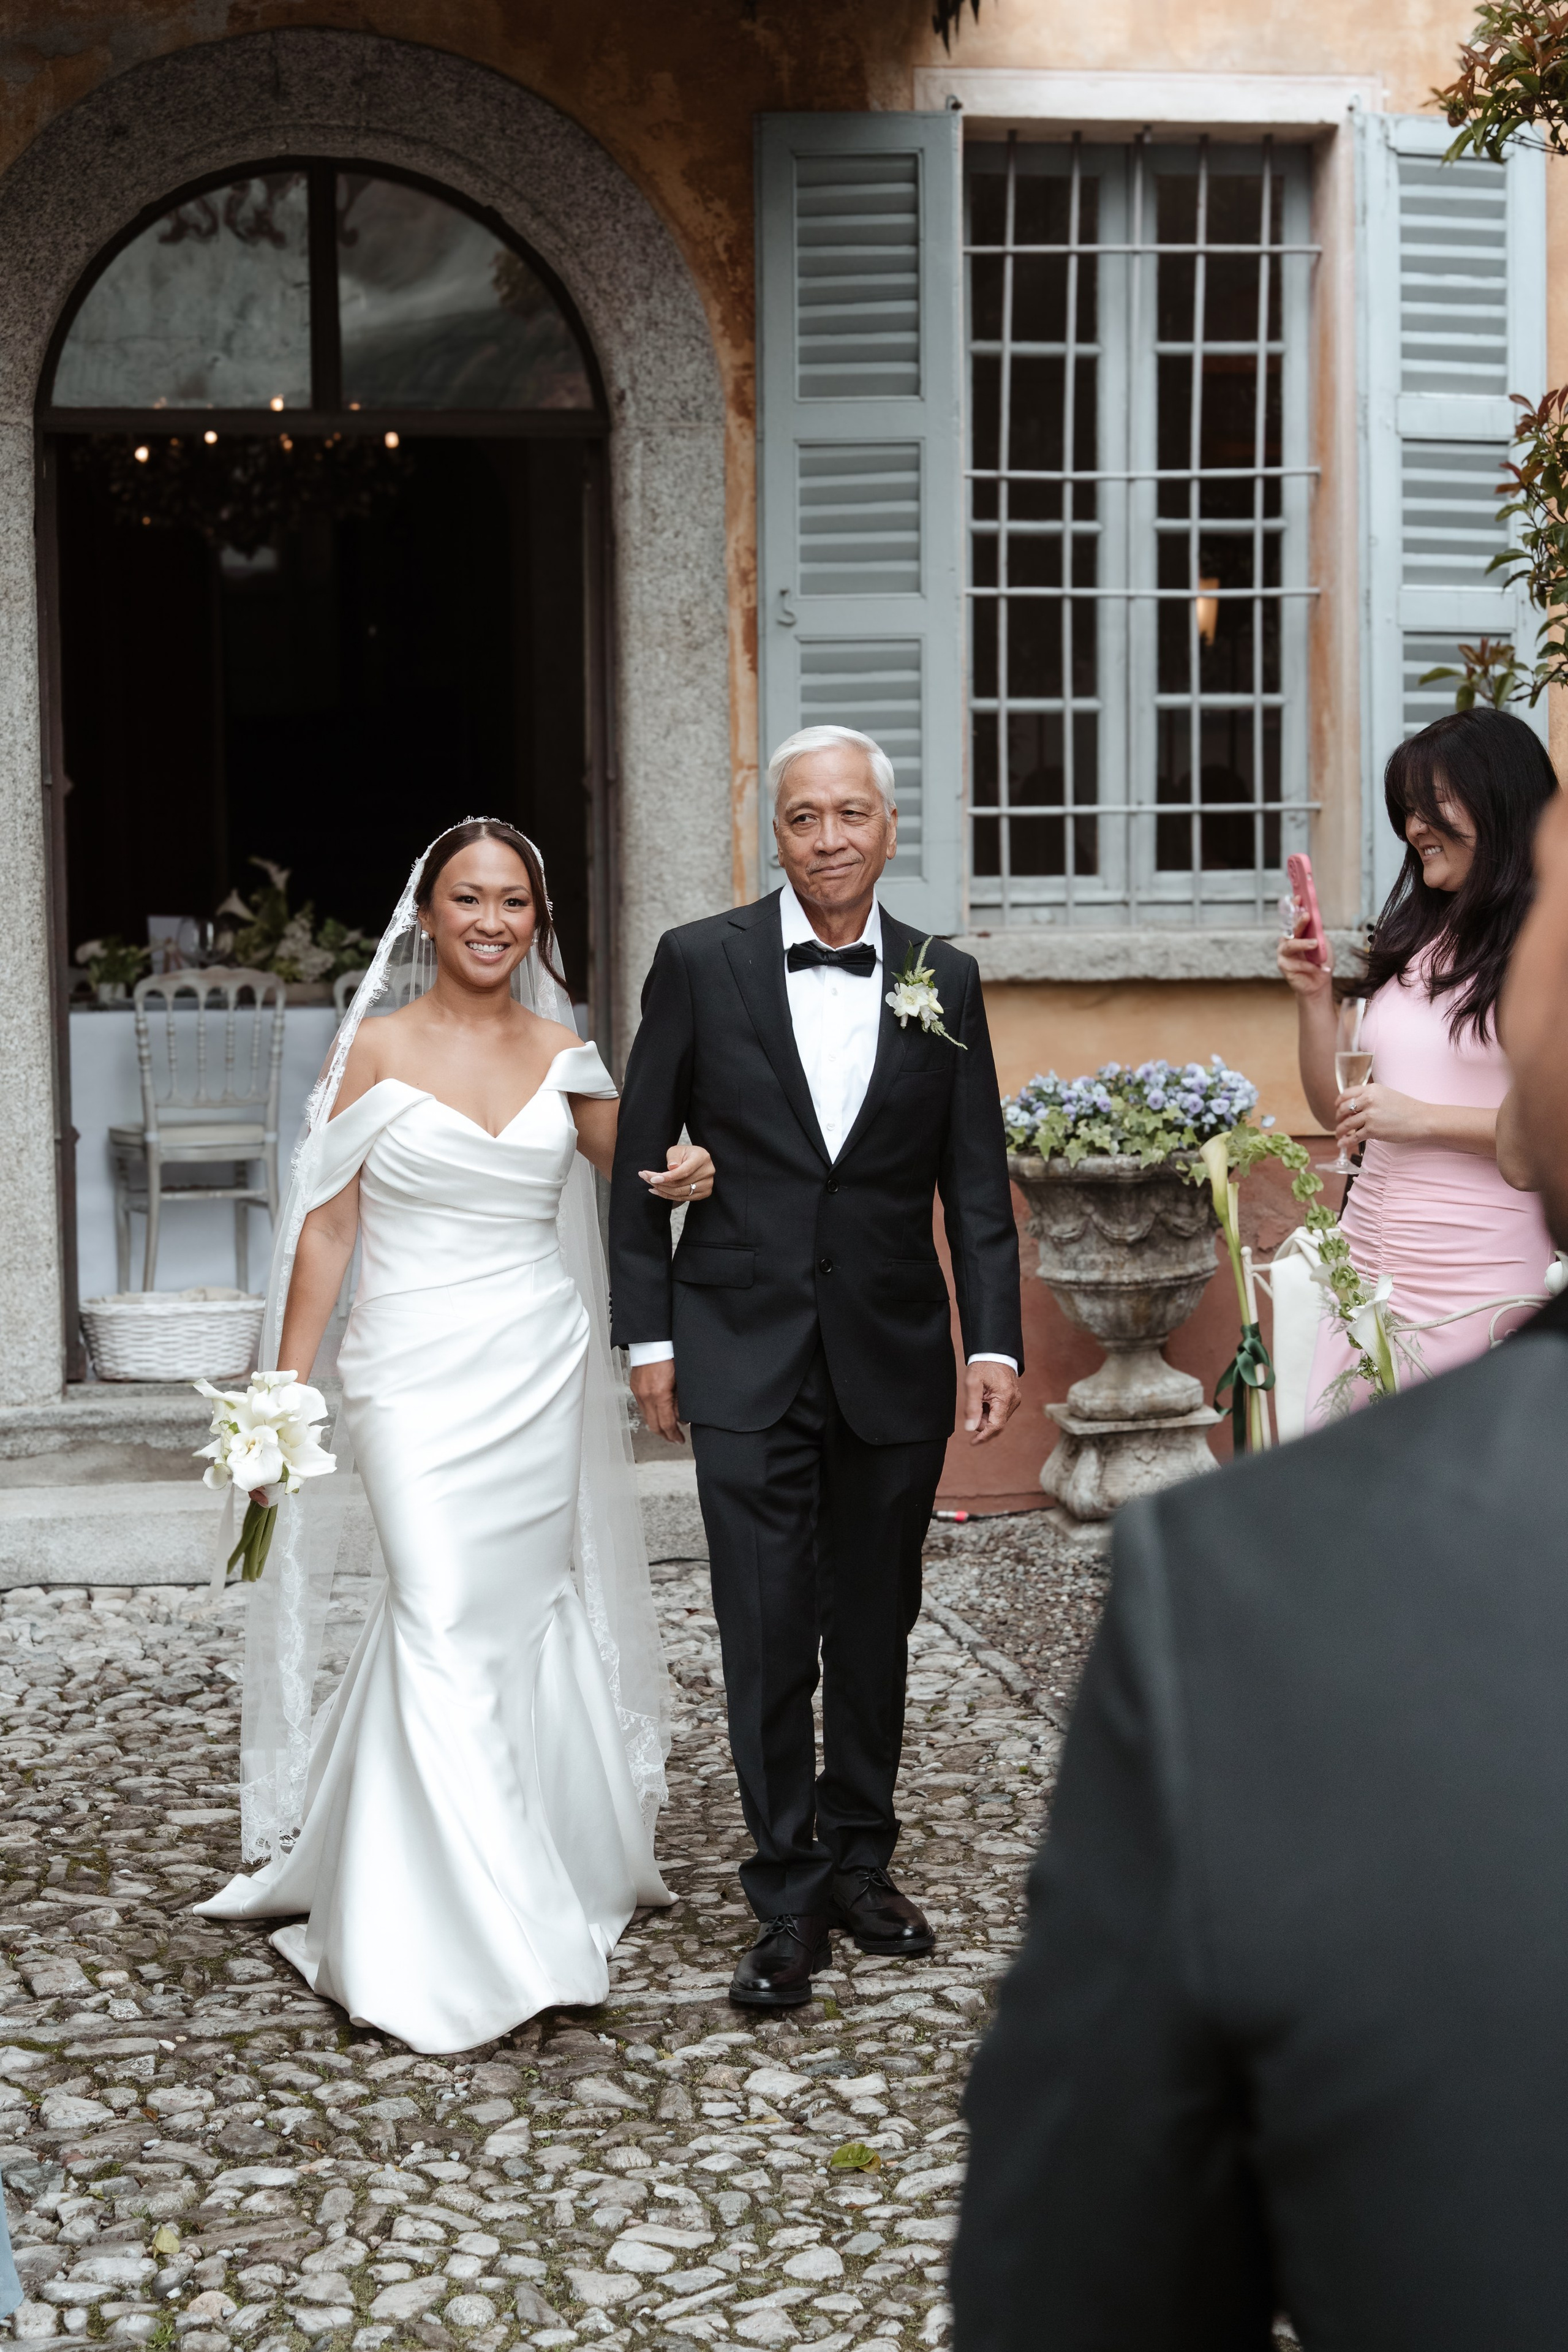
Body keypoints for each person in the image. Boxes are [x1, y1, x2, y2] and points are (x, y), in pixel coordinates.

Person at [951, 783, 1568, 2348]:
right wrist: (1314, 1001)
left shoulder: (1256, 1596)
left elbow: (1083, 2282)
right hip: (1387, 1258)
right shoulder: (1416, 937)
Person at [198, 820, 714, 2054]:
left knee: (498, 1624)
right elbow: (325, 1234)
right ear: (425, 914)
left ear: (538, 922)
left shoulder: (568, 1055)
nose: (490, 922)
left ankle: (441, 1873)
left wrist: (692, 1167)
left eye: (514, 904)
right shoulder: (370, 1051)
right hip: (410, 1380)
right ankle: (500, 1942)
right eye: (466, 899)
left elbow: (641, 1178)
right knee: (435, 1612)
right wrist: (281, 1399)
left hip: (533, 1373)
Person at [608, 725, 1023, 2009]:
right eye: (803, 817)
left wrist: (993, 1335)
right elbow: (638, 1163)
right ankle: (783, 1891)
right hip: (738, 1349)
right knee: (766, 1625)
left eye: (851, 815)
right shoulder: (698, 962)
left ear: (887, 829)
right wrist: (652, 1340)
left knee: (877, 1623)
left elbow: (973, 1182)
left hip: (892, 1355)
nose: (829, 838)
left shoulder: (943, 981)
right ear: (773, 832)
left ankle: (860, 1859)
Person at [1279, 707, 1554, 1419]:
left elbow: (1548, 1139)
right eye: (1404, 811)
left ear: (1498, 799)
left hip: (1480, 1272)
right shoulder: (1415, 941)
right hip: (1364, 1263)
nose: (1412, 829)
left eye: (1431, 806)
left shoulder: (1547, 952)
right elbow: (1336, 1113)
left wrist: (1421, 1119)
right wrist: (1314, 998)